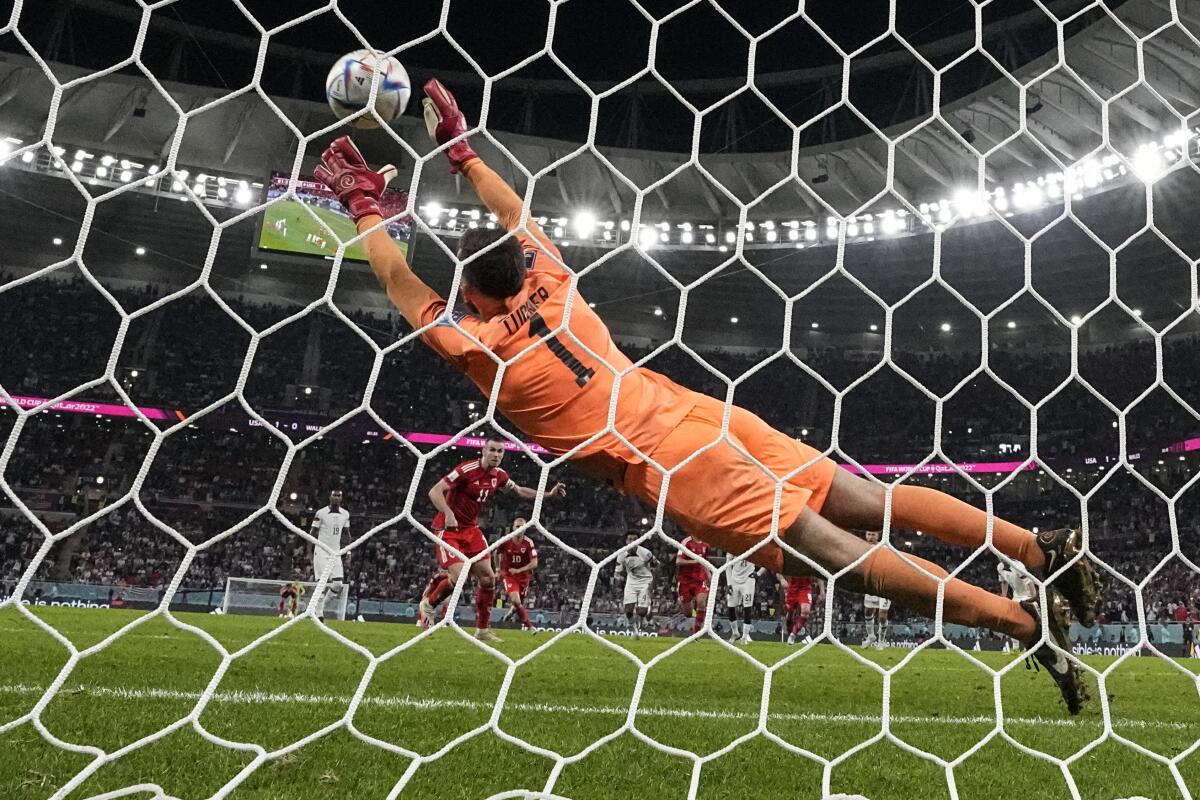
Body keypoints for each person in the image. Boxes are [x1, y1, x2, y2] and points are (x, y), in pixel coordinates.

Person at [312, 78, 1101, 714]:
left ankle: (1024, 626)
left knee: (844, 562)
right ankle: (1039, 548)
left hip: (674, 460)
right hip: (697, 409)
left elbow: (396, 278)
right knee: (873, 501)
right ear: (519, 268)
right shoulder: (551, 278)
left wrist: (363, 205)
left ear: (472, 296)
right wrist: (459, 148)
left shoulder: (480, 346)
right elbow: (513, 214)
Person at [417, 437, 564, 643]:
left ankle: (482, 630)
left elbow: (519, 491)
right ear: (484, 452)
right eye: (492, 450)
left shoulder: (499, 476)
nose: (496, 455)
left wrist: (547, 494)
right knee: (460, 578)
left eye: (500, 452)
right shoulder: (466, 469)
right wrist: (448, 512)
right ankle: (429, 605)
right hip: (448, 529)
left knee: (488, 579)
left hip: (472, 531)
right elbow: (435, 491)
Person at [309, 490, 349, 622]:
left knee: (338, 584)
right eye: (334, 495)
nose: (336, 498)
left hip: (335, 553)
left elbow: (346, 535)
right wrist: (310, 551)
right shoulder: (321, 513)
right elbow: (312, 532)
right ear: (330, 497)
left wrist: (347, 551)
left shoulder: (345, 514)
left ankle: (320, 607)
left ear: (341, 498)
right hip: (321, 551)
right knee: (321, 583)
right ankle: (319, 614)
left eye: (338, 496)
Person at [495, 516, 539, 631]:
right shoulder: (505, 540)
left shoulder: (528, 543)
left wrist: (519, 570)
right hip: (509, 574)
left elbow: (534, 563)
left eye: (522, 526)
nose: (520, 528)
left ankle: (509, 615)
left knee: (518, 604)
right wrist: (498, 569)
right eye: (517, 526)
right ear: (513, 528)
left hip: (524, 576)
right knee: (516, 600)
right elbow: (496, 553)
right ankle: (530, 626)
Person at [614, 531, 657, 639]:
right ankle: (635, 632)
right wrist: (618, 579)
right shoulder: (621, 554)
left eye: (635, 539)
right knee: (628, 610)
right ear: (626, 541)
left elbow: (657, 565)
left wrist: (652, 581)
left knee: (641, 612)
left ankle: (647, 609)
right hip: (631, 582)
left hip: (645, 582)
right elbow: (617, 572)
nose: (632, 541)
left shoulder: (646, 553)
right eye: (630, 539)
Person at [675, 535, 712, 635]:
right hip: (685, 581)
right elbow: (678, 561)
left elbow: (704, 561)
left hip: (700, 579)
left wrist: (708, 573)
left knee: (701, 603)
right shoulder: (686, 542)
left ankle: (696, 634)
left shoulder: (706, 544)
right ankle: (683, 602)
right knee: (688, 613)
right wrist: (694, 561)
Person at [862, 531, 892, 649]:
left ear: (878, 536)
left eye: (873, 535)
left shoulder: (884, 548)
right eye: (868, 534)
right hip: (870, 585)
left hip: (884, 585)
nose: (870, 537)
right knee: (868, 612)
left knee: (882, 615)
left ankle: (881, 641)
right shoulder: (862, 548)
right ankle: (871, 636)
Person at [724, 552, 758, 644]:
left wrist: (758, 573)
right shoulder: (733, 546)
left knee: (747, 607)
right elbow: (728, 564)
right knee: (730, 606)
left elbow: (765, 560)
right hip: (734, 580)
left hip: (748, 580)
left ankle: (744, 636)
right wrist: (729, 583)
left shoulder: (754, 545)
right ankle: (735, 632)